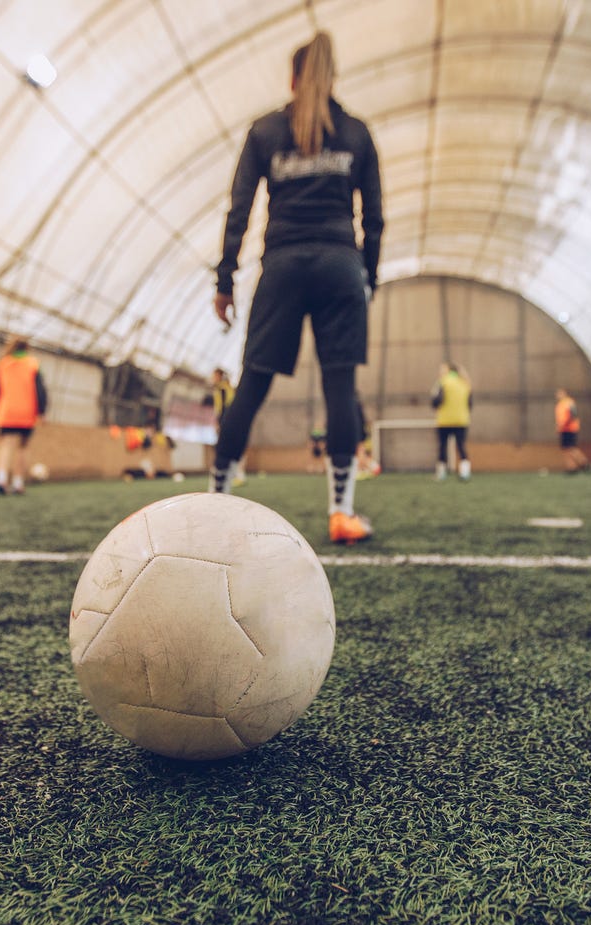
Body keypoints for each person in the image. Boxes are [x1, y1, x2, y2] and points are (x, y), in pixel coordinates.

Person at [210, 31, 384, 544]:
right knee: (340, 389)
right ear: (331, 79)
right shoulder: (356, 133)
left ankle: (216, 505)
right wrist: (367, 277)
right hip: (339, 267)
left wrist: (225, 281)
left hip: (282, 267)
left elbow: (238, 211)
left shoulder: (265, 131)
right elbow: (374, 219)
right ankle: (340, 512)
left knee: (253, 384)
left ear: (291, 78)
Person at [0, 337, 48, 495]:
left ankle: (1, 479)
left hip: (6, 410)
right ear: (27, 348)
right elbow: (40, 390)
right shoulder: (33, 364)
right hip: (26, 412)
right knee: (22, 447)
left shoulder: (2, 363)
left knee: (5, 445)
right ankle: (18, 483)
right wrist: (42, 411)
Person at [431, 363, 472, 480]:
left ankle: (441, 474)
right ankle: (465, 472)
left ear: (448, 370)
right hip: (462, 420)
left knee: (442, 446)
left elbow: (436, 401)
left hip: (445, 421)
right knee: (461, 446)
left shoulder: (442, 382)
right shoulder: (465, 383)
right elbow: (470, 404)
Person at [555, 387, 591, 473]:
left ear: (564, 393)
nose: (557, 395)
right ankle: (571, 468)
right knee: (565, 449)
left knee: (572, 448)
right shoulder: (559, 405)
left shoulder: (569, 402)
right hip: (563, 430)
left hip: (570, 428)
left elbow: (573, 415)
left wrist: (565, 424)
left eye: (559, 393)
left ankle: (585, 464)